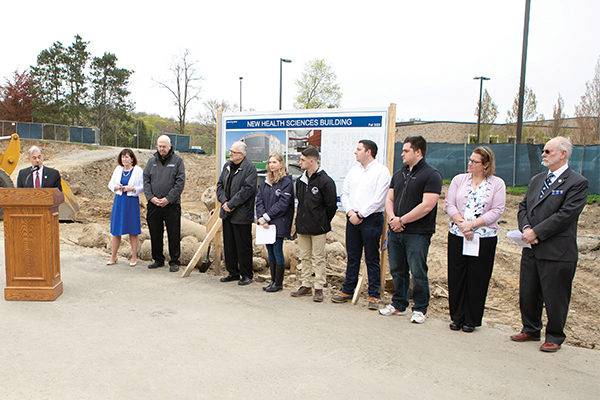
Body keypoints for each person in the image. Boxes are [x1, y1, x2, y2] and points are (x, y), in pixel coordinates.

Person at [511, 136, 588, 352]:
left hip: (557, 251)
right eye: (543, 151)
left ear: (563, 154)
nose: (543, 155)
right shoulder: (537, 180)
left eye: (548, 151)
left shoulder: (577, 182)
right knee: (528, 291)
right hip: (531, 247)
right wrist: (526, 228)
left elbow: (566, 215)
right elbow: (523, 206)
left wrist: (537, 232)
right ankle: (531, 327)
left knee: (555, 295)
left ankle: (554, 335)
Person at [379, 136, 442, 324]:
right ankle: (399, 303)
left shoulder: (432, 175)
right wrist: (392, 219)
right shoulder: (399, 174)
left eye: (406, 151)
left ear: (418, 152)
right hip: (396, 230)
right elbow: (389, 199)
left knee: (418, 270)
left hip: (417, 232)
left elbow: (427, 205)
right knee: (398, 269)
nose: (402, 154)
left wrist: (402, 220)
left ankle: (420, 308)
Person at [445, 146, 505, 332]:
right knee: (457, 276)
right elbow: (450, 204)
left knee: (477, 278)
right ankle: (457, 317)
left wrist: (473, 225)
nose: (469, 163)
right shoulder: (458, 180)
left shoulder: (497, 184)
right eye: (470, 160)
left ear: (486, 165)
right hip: (458, 234)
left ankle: (471, 319)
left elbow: (497, 210)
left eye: (474, 161)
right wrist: (463, 224)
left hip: (483, 237)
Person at [331, 140, 390, 309]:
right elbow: (345, 194)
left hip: (371, 219)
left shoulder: (381, 171)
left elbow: (379, 198)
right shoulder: (353, 171)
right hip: (352, 219)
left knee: (371, 257)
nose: (355, 152)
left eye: (358, 149)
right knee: (353, 256)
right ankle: (347, 290)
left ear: (369, 152)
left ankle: (373, 295)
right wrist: (351, 213)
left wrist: (361, 214)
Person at [291, 146, 337, 303]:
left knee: (318, 257)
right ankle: (306, 284)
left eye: (303, 160)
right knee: (304, 256)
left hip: (318, 227)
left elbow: (331, 206)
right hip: (303, 225)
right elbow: (301, 203)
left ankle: (318, 287)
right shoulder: (301, 181)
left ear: (312, 161)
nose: (300, 162)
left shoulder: (325, 181)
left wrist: (323, 221)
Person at [216, 141, 257, 286]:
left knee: (243, 245)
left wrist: (232, 204)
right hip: (227, 212)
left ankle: (246, 274)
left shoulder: (250, 168)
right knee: (229, 244)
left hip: (241, 214)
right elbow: (220, 185)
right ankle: (232, 272)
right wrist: (224, 202)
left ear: (242, 154)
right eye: (230, 151)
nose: (230, 153)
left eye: (233, 151)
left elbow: (248, 190)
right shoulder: (227, 166)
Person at [143, 135, 185, 272]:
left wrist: (168, 199)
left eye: (164, 146)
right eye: (160, 146)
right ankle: (158, 259)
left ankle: (174, 261)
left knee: (173, 234)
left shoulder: (177, 161)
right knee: (155, 233)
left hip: (171, 205)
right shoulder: (151, 162)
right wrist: (151, 197)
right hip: (154, 204)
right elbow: (146, 181)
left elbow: (180, 183)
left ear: (170, 146)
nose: (162, 149)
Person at [255, 152, 294, 292]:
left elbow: (283, 204)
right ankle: (272, 281)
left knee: (277, 251)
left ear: (281, 164)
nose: (271, 165)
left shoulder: (286, 182)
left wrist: (267, 217)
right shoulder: (266, 182)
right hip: (265, 224)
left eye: (274, 162)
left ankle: (278, 283)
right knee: (269, 252)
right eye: (270, 162)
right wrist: (260, 217)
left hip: (278, 222)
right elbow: (259, 200)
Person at [107, 149, 144, 267]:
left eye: (127, 157)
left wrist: (132, 189)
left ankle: (134, 257)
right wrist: (116, 187)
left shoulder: (137, 170)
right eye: (123, 157)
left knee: (133, 230)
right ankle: (113, 256)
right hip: (119, 201)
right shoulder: (118, 169)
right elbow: (110, 184)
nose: (124, 159)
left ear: (132, 159)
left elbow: (143, 186)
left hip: (131, 201)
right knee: (116, 230)